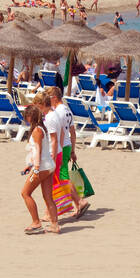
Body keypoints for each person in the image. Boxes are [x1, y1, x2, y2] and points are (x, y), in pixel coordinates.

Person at [42, 86, 87, 220]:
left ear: (54, 98)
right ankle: (76, 203)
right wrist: (72, 150)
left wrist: (57, 152)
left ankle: (79, 201)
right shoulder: (67, 110)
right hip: (66, 147)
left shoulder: (58, 112)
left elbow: (60, 133)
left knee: (61, 178)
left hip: (61, 147)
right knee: (60, 178)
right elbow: (72, 132)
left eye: (48, 98)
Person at [20, 103, 59, 235]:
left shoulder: (37, 130)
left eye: (27, 116)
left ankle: (36, 223)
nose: (26, 119)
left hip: (41, 167)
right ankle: (55, 225)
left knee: (25, 193)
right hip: (48, 166)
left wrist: (35, 168)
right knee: (48, 196)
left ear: (31, 116)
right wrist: (30, 165)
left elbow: (38, 150)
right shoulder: (42, 129)